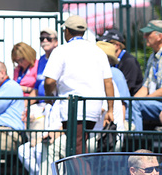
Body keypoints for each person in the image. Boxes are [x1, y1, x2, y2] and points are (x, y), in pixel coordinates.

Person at [44, 15, 115, 149]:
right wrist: (110, 109)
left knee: (75, 145)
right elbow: (108, 82)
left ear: (67, 31)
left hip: (73, 106)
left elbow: (49, 82)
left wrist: (49, 97)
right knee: (79, 142)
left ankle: (85, 171)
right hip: (94, 107)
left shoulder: (61, 51)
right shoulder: (98, 51)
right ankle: (80, 170)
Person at [99, 28, 143, 95]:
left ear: (117, 45)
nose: (103, 46)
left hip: (131, 100)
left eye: (106, 43)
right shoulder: (111, 60)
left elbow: (125, 90)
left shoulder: (129, 61)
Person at [34, 28, 58, 97]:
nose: (45, 40)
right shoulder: (41, 60)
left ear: (56, 42)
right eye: (42, 39)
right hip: (40, 102)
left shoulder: (60, 58)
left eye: (49, 38)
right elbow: (36, 88)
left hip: (55, 102)